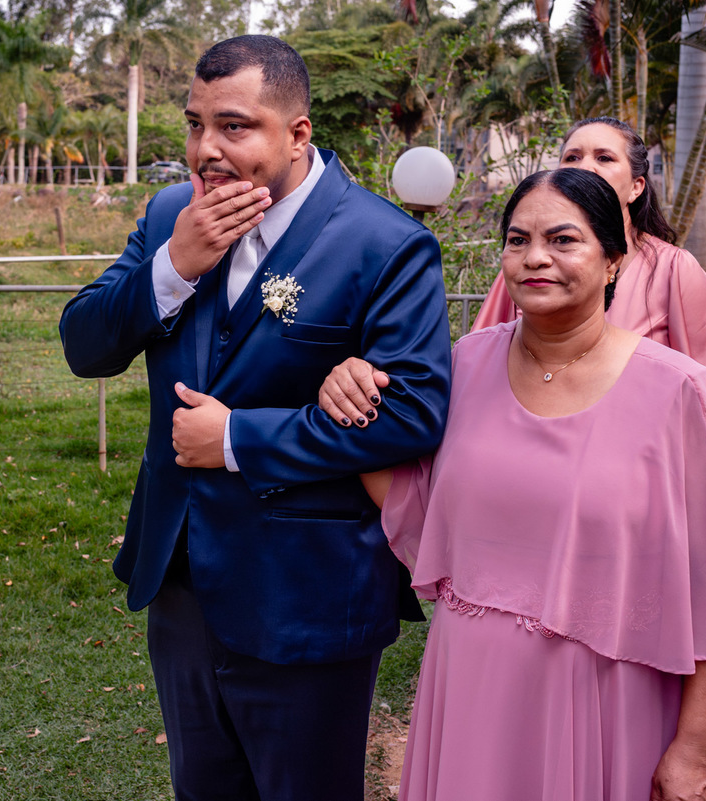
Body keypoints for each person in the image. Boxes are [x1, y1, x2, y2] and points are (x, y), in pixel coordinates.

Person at [58, 35, 452, 801]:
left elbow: (412, 412)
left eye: (234, 126)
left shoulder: (386, 245)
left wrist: (237, 438)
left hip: (307, 592)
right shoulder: (174, 214)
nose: (206, 148)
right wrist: (172, 267)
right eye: (195, 123)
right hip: (180, 583)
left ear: (297, 133)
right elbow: (85, 343)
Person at [319, 168, 706, 801]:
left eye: (563, 240)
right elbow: (416, 509)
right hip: (472, 695)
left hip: (610, 702)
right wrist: (350, 393)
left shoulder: (681, 392)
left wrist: (696, 749)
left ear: (614, 261)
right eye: (517, 240)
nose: (535, 257)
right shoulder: (462, 367)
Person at [471, 117, 706, 440]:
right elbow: (481, 367)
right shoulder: (531, 268)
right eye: (572, 157)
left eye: (604, 158)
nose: (585, 167)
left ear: (636, 186)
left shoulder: (674, 269)